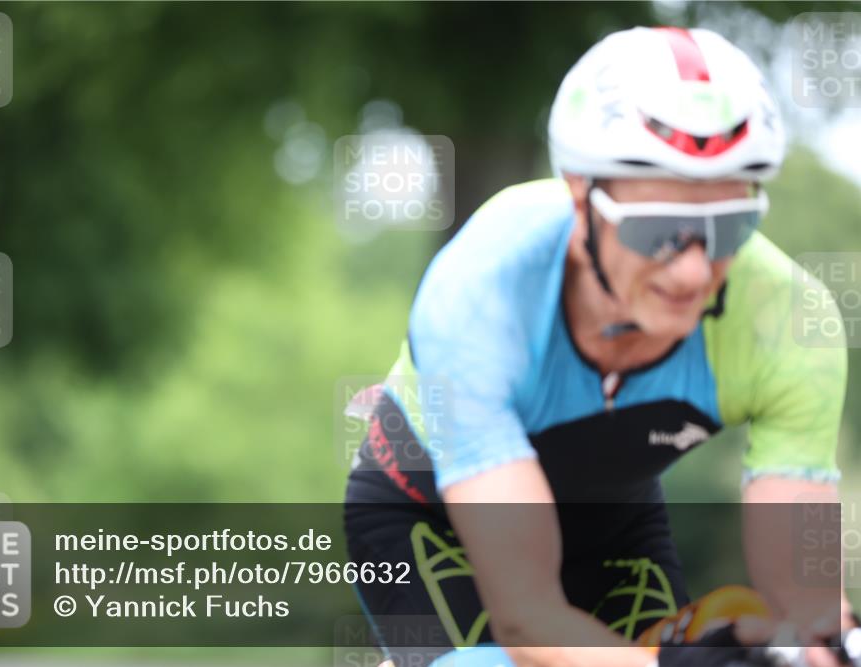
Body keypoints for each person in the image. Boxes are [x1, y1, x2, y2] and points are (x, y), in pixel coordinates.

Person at [343, 26, 857, 667]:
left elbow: (803, 593)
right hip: (431, 522)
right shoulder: (479, 290)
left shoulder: (788, 317)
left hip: (615, 525)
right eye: (659, 230)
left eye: (730, 227)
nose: (694, 271)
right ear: (581, 197)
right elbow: (526, 618)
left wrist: (827, 642)